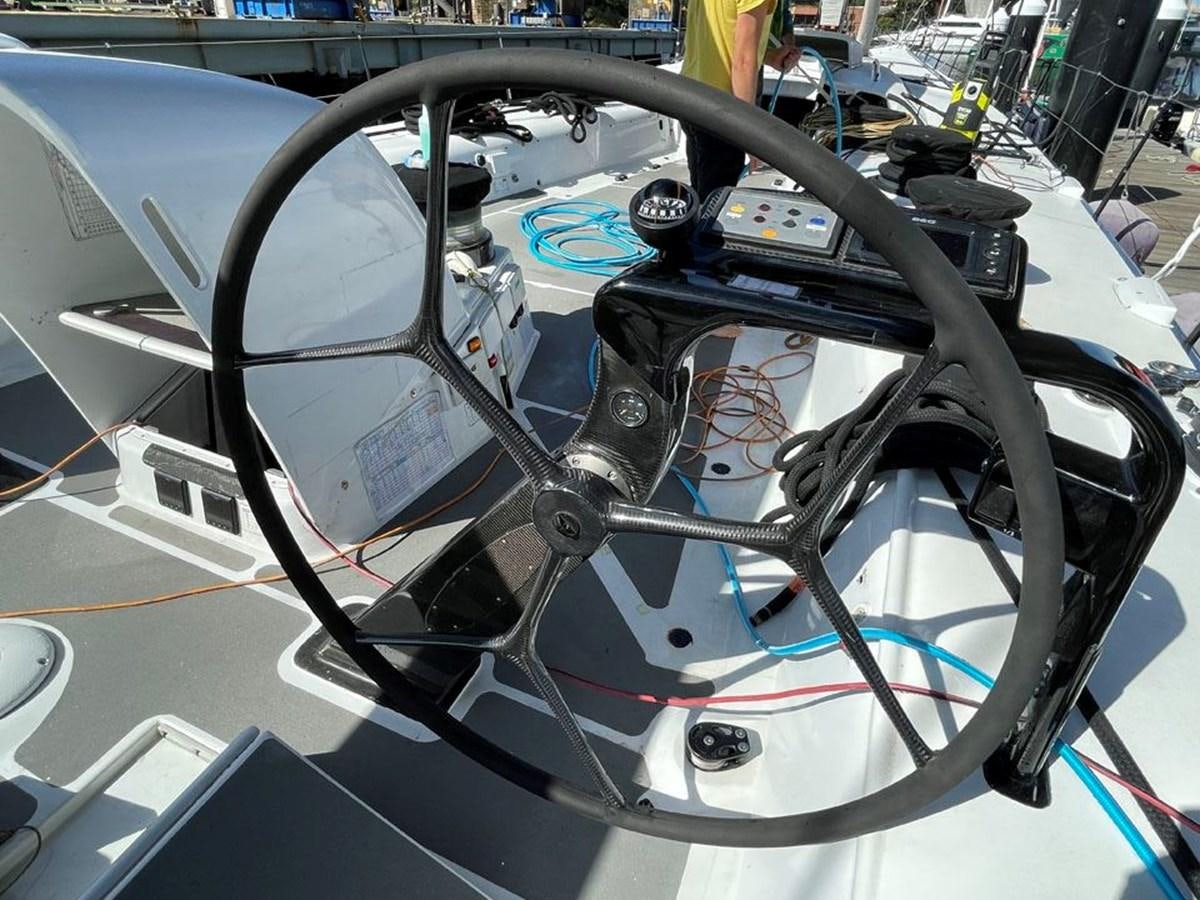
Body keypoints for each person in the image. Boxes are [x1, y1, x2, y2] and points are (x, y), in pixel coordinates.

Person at [680, 0, 800, 200]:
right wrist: (750, 135)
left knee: (700, 194)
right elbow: (743, 61)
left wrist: (771, 57)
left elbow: (719, 37)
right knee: (714, 203)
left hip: (689, 97)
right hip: (721, 110)